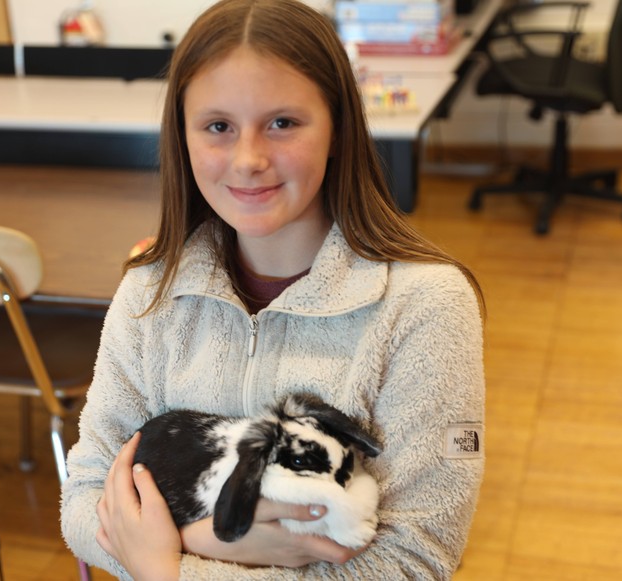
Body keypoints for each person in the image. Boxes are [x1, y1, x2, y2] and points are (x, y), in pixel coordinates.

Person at [60, 0, 486, 579]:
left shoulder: (427, 305)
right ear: (182, 138)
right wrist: (212, 541)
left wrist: (168, 567)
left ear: (337, 128)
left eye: (283, 123)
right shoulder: (149, 292)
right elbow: (86, 493)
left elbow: (414, 557)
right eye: (218, 127)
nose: (249, 158)